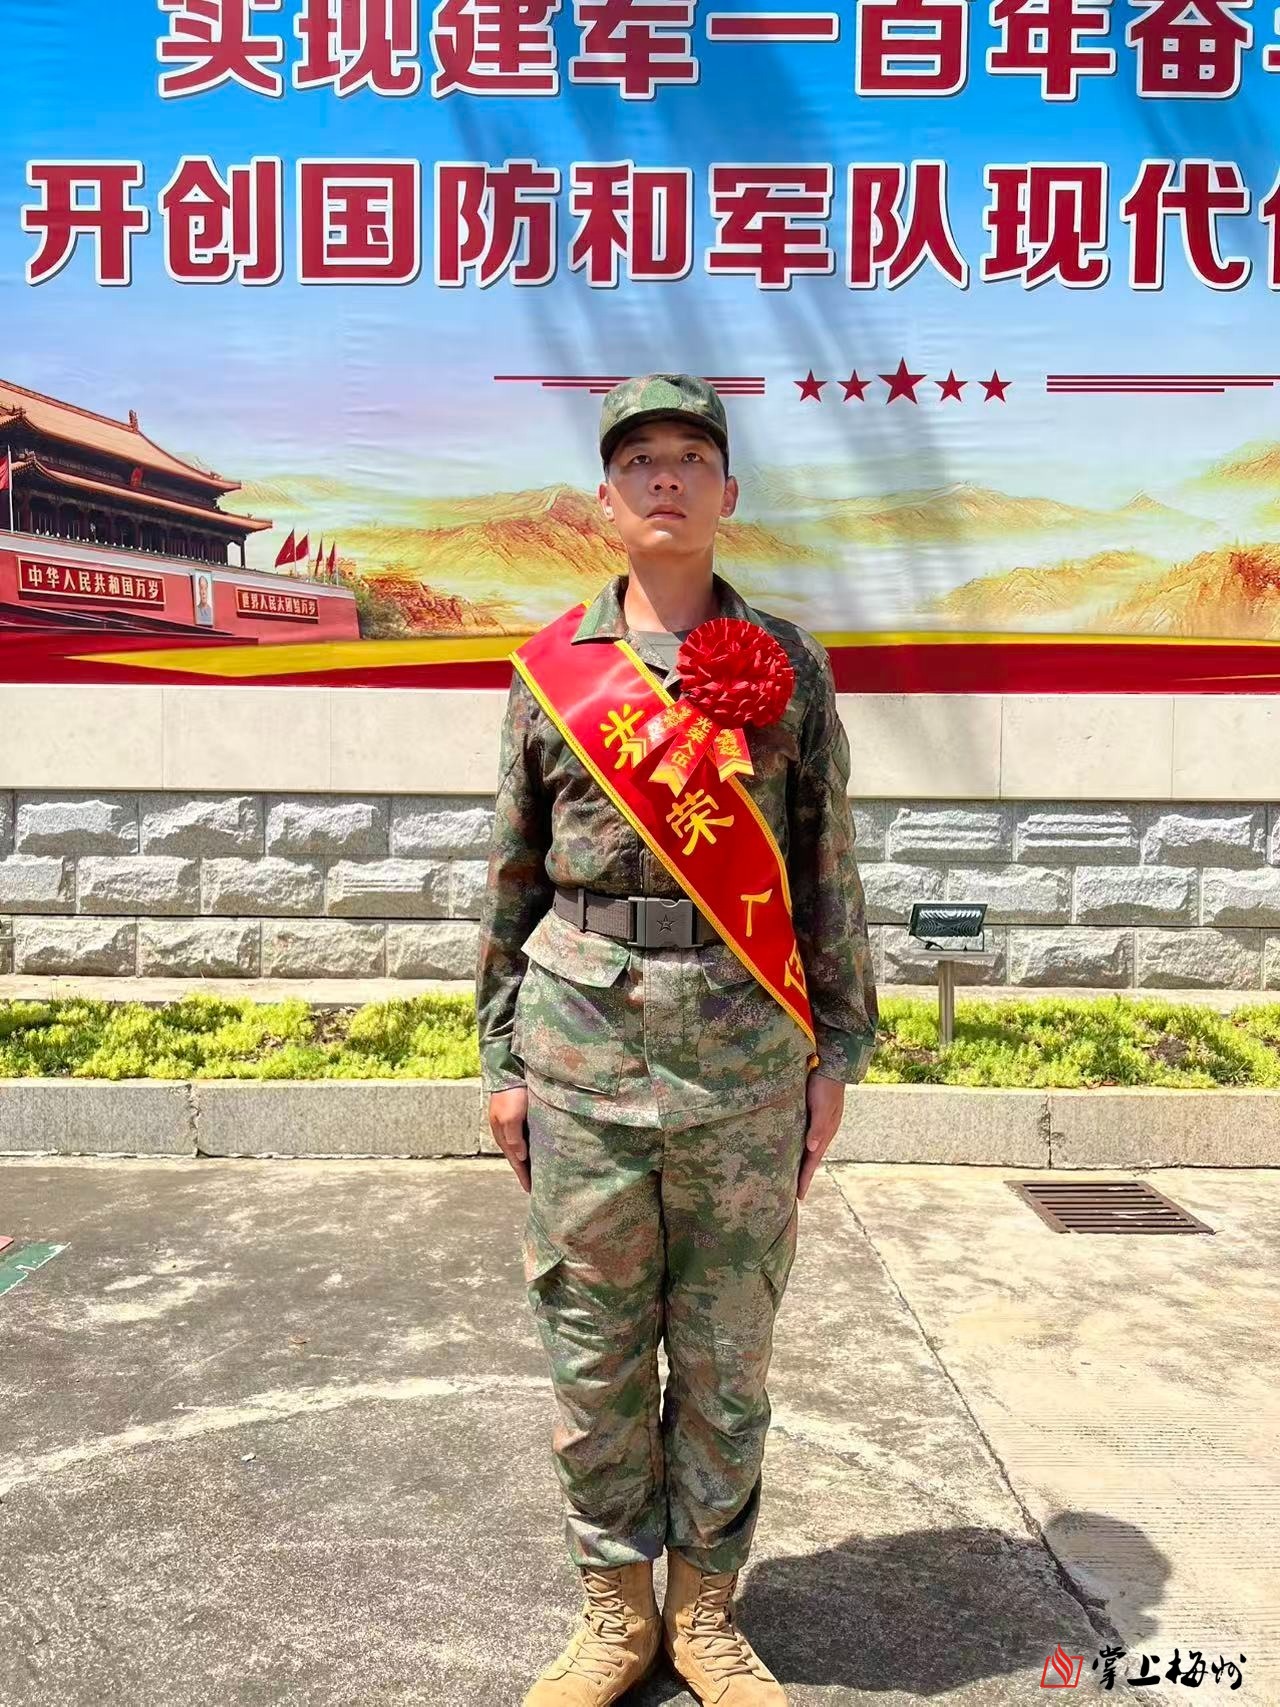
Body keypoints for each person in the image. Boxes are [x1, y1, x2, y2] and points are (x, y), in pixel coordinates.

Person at [476, 373, 879, 1707]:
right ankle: (613, 1614)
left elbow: (826, 872)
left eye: (691, 457)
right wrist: (500, 1057)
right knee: (592, 1347)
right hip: (580, 1045)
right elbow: (511, 875)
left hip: (745, 1054)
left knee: (725, 1351)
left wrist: (836, 1052)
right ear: (605, 500)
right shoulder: (551, 673)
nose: (665, 477)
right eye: (638, 458)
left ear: (728, 493)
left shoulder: (790, 667)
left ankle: (705, 1612)